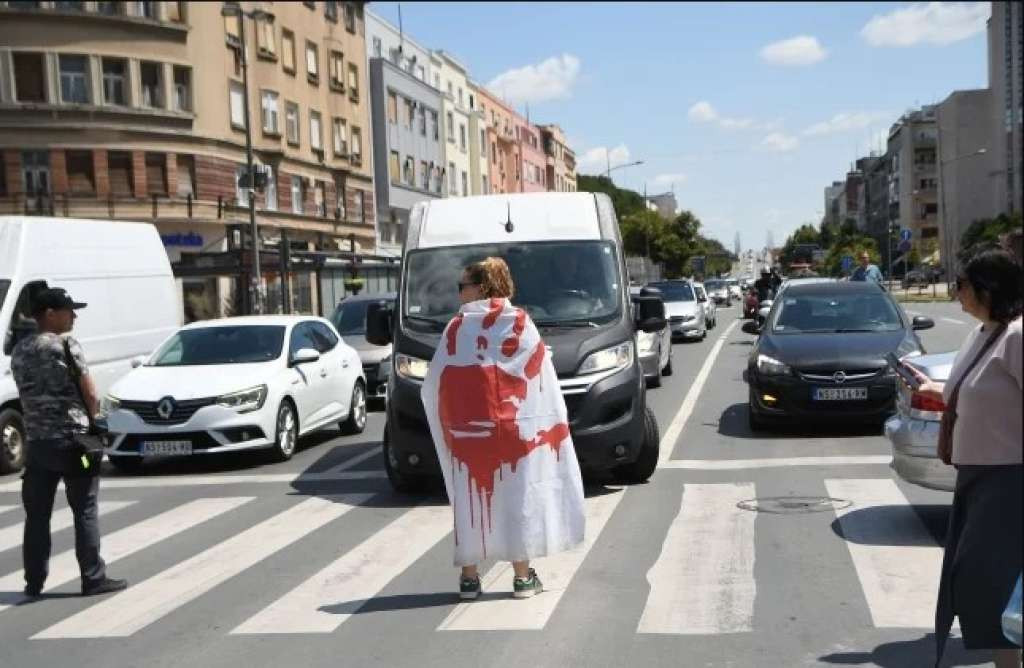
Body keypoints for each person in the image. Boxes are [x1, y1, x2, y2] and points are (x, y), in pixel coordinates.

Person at [421, 257, 586, 601]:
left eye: (463, 286)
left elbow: (436, 380)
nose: (459, 293)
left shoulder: (456, 327)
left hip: (467, 436)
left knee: (469, 503)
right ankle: (523, 579)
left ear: (481, 287)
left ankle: (469, 579)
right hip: (514, 433)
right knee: (516, 499)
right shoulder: (521, 323)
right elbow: (542, 379)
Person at [901, 250, 1022, 668]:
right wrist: (940, 394)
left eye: (963, 285)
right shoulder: (984, 333)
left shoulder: (1017, 337)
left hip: (1008, 481)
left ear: (988, 289)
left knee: (992, 581)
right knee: (987, 582)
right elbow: (976, 391)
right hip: (976, 477)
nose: (957, 293)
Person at [10, 288, 128, 600]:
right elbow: (89, 393)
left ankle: (33, 582)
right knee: (85, 509)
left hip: (38, 445)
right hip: (74, 443)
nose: (73, 316)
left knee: (37, 516)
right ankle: (93, 578)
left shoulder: (20, 350)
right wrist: (98, 420)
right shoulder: (65, 345)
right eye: (68, 310)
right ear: (49, 313)